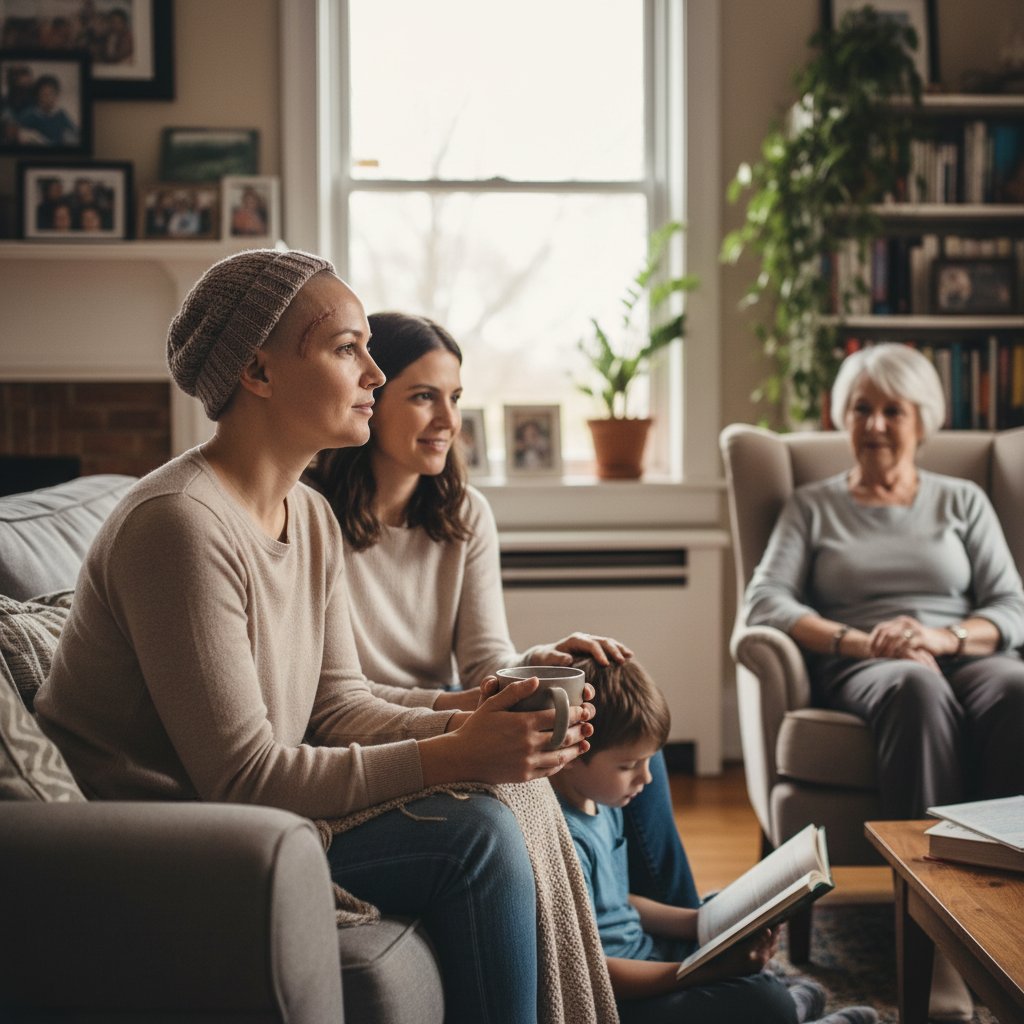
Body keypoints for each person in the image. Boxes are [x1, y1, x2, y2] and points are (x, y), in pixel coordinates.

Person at [35, 250, 614, 1024]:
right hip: (176, 847)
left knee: (504, 793)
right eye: (347, 348)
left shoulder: (308, 514)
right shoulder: (178, 525)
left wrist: (472, 713)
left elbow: (340, 705)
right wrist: (453, 751)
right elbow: (241, 781)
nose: (374, 374)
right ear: (259, 372)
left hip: (250, 817)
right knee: (476, 833)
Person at [306, 310, 702, 912]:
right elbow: (339, 701)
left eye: (455, 398)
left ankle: (694, 932)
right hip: (380, 737)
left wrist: (538, 661)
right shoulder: (312, 517)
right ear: (370, 397)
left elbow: (485, 660)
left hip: (452, 708)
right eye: (422, 397)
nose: (447, 421)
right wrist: (466, 708)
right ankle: (662, 953)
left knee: (628, 738)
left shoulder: (464, 514)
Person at [744, 342, 1024, 1019]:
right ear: (842, 417)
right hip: (861, 662)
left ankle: (1006, 919)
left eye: (890, 410)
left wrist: (939, 637)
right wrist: (866, 641)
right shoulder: (812, 506)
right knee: (913, 687)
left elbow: (1010, 606)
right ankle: (940, 935)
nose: (873, 425)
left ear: (921, 420)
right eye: (860, 409)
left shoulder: (964, 499)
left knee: (1015, 689)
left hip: (959, 651)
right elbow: (767, 602)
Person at [550, 656, 878, 1024]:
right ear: (573, 752)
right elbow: (590, 975)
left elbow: (617, 905)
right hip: (624, 998)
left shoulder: (604, 802)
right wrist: (701, 972)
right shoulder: (566, 840)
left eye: (648, 761)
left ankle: (781, 1002)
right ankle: (787, 1009)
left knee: (725, 915)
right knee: (765, 999)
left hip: (648, 954)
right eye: (628, 766)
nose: (646, 779)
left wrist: (700, 922)